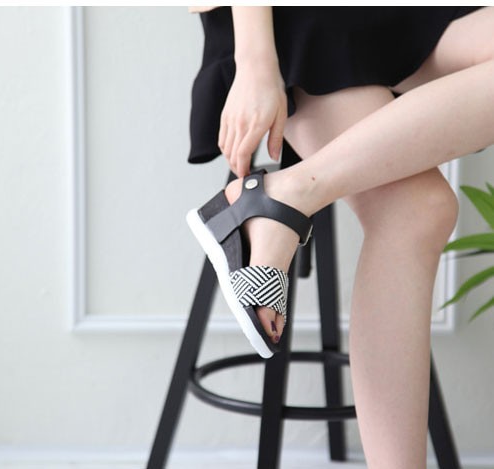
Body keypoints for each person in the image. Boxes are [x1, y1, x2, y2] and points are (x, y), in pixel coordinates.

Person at [185, 6, 492, 468]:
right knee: (416, 212)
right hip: (287, 21)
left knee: (418, 212)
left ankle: (289, 193)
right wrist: (254, 62)